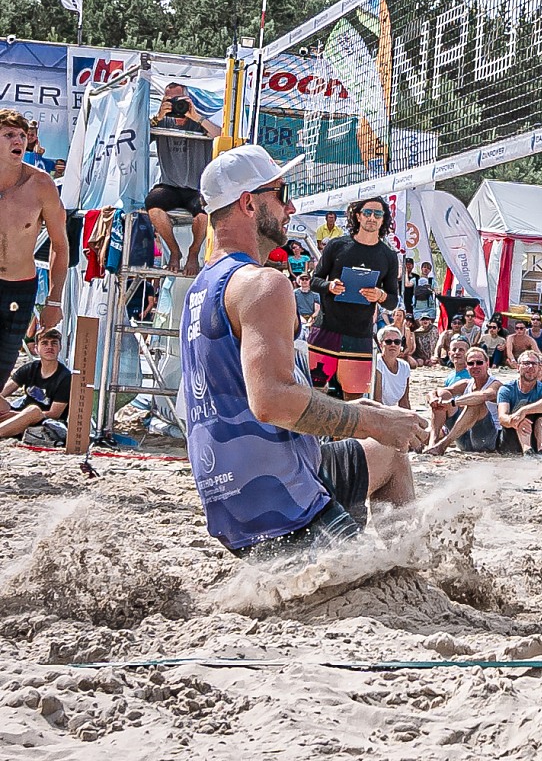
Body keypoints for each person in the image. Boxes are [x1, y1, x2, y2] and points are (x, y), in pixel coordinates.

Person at [179, 145, 427, 561]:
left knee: (389, 454)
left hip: (230, 497)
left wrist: (361, 416)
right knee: (377, 581)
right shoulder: (263, 284)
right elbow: (271, 401)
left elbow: (240, 398)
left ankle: (408, 564)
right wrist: (372, 420)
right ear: (248, 203)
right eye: (282, 194)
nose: (291, 207)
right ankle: (399, 574)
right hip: (281, 504)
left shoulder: (200, 289)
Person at [0, 111, 68, 391]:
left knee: (1, 371)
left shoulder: (40, 184)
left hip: (19, 288)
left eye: (21, 135)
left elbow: (60, 245)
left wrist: (54, 301)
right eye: (9, 135)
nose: (19, 140)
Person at [308, 197, 400, 399]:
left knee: (355, 400)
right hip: (326, 330)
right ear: (358, 216)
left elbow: (393, 301)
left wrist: (380, 295)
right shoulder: (337, 245)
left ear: (383, 219)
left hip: (360, 336)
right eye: (367, 213)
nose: (372, 218)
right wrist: (329, 286)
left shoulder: (388, 256)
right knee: (314, 393)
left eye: (378, 214)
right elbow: (314, 280)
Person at [146, 82, 221, 277]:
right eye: (169, 101)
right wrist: (158, 116)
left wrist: (196, 116)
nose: (175, 106)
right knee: (153, 204)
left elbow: (221, 137)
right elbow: (138, 139)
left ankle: (193, 253)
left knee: (204, 212)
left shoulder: (199, 120)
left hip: (197, 187)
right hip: (170, 185)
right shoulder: (161, 121)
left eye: (179, 101)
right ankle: (174, 251)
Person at [426, 346, 503, 455]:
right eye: (471, 363)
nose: (475, 366)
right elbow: (437, 391)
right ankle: (432, 443)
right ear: (467, 366)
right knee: (443, 395)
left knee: (476, 403)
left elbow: (485, 395)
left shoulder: (496, 384)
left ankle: (443, 444)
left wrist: (454, 402)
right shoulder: (466, 383)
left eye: (479, 363)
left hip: (486, 439)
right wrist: (433, 399)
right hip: (464, 437)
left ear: (487, 363)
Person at [0, 327, 70, 439]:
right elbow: (3, 392)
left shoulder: (65, 377)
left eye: (54, 343)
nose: (49, 347)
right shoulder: (31, 368)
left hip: (43, 420)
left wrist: (20, 415)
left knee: (34, 410)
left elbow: (54, 414)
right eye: (44, 343)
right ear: (37, 349)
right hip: (19, 413)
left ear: (60, 347)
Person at [496, 350, 542, 458]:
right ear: (518, 367)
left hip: (536, 438)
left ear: (539, 368)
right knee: (521, 414)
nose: (530, 367)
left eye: (534, 364)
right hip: (511, 440)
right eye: (526, 363)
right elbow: (502, 417)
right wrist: (514, 420)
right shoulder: (507, 389)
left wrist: (524, 411)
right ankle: (527, 451)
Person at [373, 325, 412, 408]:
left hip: (389, 410)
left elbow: (404, 401)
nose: (393, 345)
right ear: (380, 345)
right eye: (388, 342)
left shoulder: (405, 367)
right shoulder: (377, 363)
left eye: (397, 342)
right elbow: (377, 401)